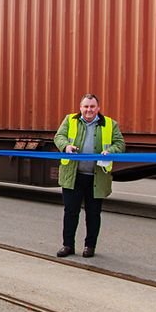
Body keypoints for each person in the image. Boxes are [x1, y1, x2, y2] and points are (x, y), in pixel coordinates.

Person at [53, 93, 126, 258]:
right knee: (70, 213)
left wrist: (110, 151)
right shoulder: (70, 120)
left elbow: (120, 144)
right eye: (85, 107)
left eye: (92, 107)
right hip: (73, 176)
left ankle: (89, 247)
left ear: (98, 108)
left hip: (97, 178)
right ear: (80, 108)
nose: (89, 110)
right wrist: (66, 147)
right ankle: (68, 245)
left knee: (93, 215)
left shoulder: (110, 124)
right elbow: (59, 137)